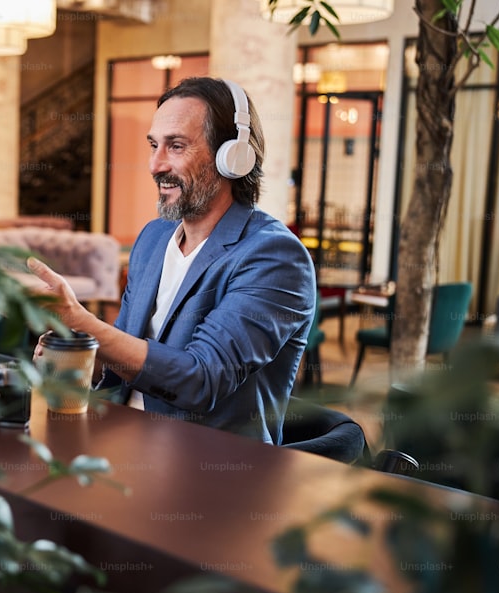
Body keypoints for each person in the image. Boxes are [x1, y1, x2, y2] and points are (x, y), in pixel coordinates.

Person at [28, 76, 315, 445]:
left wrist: (84, 322)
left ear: (233, 157)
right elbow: (132, 356)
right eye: (153, 145)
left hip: (207, 470)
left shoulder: (275, 257)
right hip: (118, 442)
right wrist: (84, 351)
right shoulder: (154, 238)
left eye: (176, 146)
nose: (155, 165)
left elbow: (201, 380)